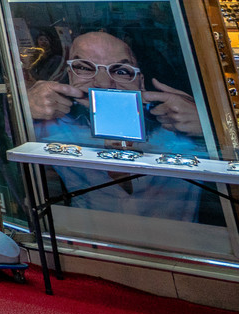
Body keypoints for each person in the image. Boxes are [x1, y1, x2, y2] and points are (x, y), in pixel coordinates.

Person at [27, 28, 209, 221]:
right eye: (85, 68)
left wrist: (210, 126)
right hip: (87, 245)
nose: (104, 83)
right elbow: (1, 145)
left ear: (141, 81)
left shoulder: (182, 130)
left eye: (121, 71)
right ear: (68, 75)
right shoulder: (54, 126)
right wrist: (24, 104)